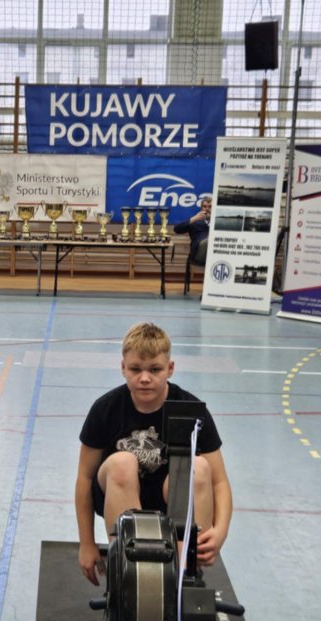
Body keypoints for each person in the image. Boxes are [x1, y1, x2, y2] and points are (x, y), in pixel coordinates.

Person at [75, 322, 232, 586]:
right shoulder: (105, 410)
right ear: (123, 367)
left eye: (155, 369)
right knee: (122, 463)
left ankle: (184, 572)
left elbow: (219, 482)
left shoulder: (192, 410)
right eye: (135, 369)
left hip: (171, 500)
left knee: (199, 467)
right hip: (120, 492)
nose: (145, 378)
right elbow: (84, 478)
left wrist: (220, 532)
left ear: (170, 368)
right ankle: (127, 568)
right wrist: (86, 543)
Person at [173, 195, 212, 265]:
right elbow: (176, 229)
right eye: (205, 206)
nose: (207, 209)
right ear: (201, 208)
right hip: (198, 252)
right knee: (207, 242)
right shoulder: (195, 221)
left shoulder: (219, 222)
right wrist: (193, 219)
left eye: (210, 207)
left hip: (216, 252)